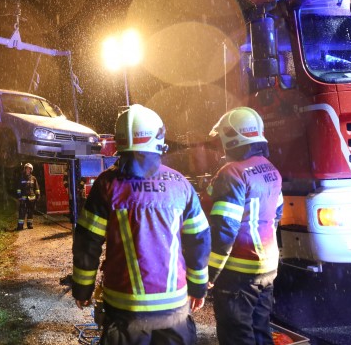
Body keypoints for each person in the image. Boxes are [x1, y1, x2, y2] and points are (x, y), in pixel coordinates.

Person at [72, 104, 211, 345]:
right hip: (174, 311)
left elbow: (87, 242)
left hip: (125, 311)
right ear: (159, 138)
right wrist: (198, 287)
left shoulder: (106, 185)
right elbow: (199, 239)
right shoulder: (180, 184)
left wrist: (83, 289)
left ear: (120, 141)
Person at [206, 106, 284, 345]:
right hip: (267, 270)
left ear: (230, 138)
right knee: (260, 331)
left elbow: (224, 230)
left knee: (236, 335)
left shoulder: (231, 173)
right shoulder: (270, 169)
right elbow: (276, 214)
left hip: (238, 274)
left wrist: (209, 273)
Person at [16, 162, 40, 230]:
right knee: (22, 212)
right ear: (25, 169)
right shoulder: (21, 178)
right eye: (26, 168)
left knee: (30, 212)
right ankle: (20, 226)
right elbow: (18, 189)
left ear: (31, 170)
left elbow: (37, 188)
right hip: (23, 199)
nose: (28, 170)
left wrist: (38, 196)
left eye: (29, 169)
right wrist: (19, 196)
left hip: (31, 199)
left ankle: (30, 224)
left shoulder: (33, 178)